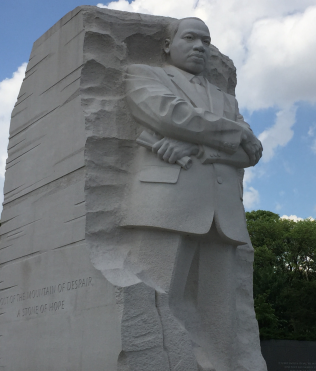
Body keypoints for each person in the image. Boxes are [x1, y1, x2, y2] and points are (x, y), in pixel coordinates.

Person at [121, 17, 267, 371]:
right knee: (154, 305)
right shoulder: (144, 74)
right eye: (190, 38)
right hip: (167, 206)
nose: (200, 46)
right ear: (168, 45)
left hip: (224, 216)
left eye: (206, 40)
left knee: (222, 320)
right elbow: (169, 114)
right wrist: (230, 132)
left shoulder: (224, 99)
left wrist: (202, 150)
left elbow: (252, 151)